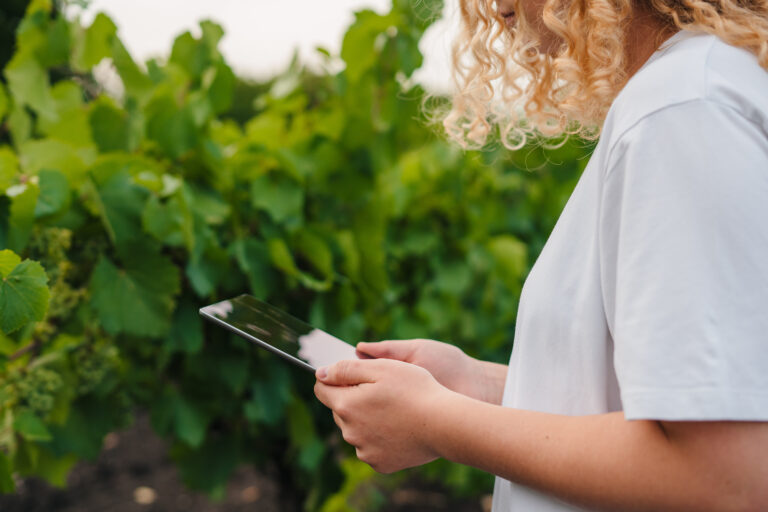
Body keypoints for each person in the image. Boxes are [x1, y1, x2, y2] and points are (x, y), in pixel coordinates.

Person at [314, 0, 768, 509]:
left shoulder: (681, 110)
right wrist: (480, 386)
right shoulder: (699, 87)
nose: (495, 7)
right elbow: (681, 400)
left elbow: (726, 479)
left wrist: (434, 423)